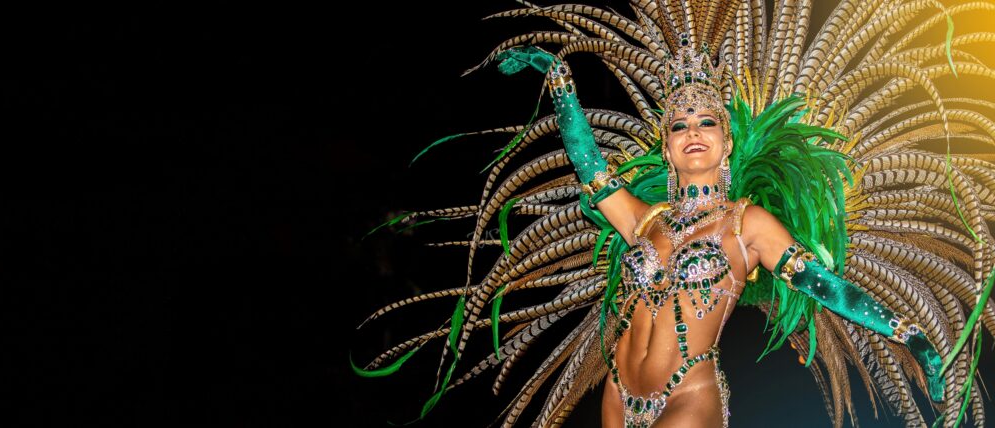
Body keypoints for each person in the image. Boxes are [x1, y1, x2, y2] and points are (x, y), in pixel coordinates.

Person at [354, 1, 995, 426]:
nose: (694, 130)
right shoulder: (646, 220)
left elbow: (824, 287)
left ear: (726, 142)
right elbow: (591, 171)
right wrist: (560, 82)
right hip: (615, 393)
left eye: (707, 121)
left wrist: (910, 337)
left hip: (688, 397)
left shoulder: (747, 226)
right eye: (680, 123)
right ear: (666, 147)